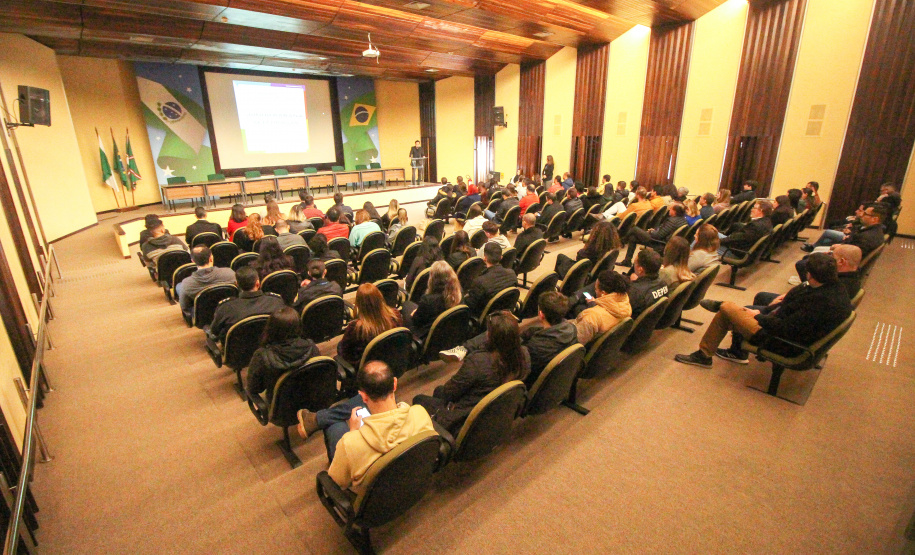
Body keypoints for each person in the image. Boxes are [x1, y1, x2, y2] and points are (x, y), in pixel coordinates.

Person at [675, 253, 851, 367]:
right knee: (727, 312)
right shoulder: (831, 286)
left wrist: (759, 316)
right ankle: (707, 354)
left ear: (811, 275)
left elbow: (785, 328)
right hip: (778, 325)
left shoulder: (820, 302)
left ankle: (718, 311)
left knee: (727, 307)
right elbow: (792, 305)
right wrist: (769, 309)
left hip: (780, 341)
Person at [296, 361, 435, 488]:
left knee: (334, 427)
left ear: (364, 396)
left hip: (369, 498)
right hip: (406, 486)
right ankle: (316, 420)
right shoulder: (420, 413)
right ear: (394, 384)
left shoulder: (350, 444)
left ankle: (317, 420)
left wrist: (352, 433)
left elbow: (337, 481)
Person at [416, 311, 530, 435]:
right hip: (493, 412)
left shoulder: (477, 362)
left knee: (420, 399)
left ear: (491, 337)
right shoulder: (525, 355)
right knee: (439, 391)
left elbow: (449, 393)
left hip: (465, 419)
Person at [442, 291, 575, 388]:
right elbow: (530, 334)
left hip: (521, 375)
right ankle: (465, 348)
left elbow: (513, 352)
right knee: (505, 328)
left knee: (499, 331)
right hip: (550, 376)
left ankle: (465, 349)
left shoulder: (533, 348)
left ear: (541, 314)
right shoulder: (570, 329)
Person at [246, 307, 319, 403]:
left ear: (270, 329)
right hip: (310, 400)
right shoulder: (311, 347)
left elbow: (254, 388)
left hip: (280, 406)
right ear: (298, 326)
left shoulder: (262, 356)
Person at [207, 266, 286, 344]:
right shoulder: (276, 302)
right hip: (270, 348)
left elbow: (214, 332)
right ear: (258, 283)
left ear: (237, 284)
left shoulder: (225, 308)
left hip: (237, 350)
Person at [337, 283, 403, 367]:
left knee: (340, 345)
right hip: (390, 359)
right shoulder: (395, 315)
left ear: (359, 304)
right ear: (380, 298)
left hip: (366, 367)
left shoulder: (356, 327)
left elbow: (346, 352)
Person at [402, 260, 462, 338]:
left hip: (426, 335)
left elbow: (417, 322)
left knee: (406, 304)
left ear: (433, 279)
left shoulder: (428, 300)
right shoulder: (458, 292)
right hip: (446, 331)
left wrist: (414, 314)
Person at [572, 270, 633, 346]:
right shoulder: (625, 305)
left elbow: (573, 343)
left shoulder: (591, 317)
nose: (595, 291)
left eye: (596, 289)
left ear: (603, 293)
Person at [619, 202, 688, 266]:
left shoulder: (672, 221)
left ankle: (621, 242)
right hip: (663, 241)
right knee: (633, 238)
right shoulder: (682, 220)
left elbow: (658, 235)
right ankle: (627, 261)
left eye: (671, 208)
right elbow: (663, 232)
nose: (669, 209)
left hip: (659, 243)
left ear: (675, 211)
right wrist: (654, 230)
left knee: (634, 228)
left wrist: (651, 232)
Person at [177, 245, 236, 312]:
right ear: (211, 258)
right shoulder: (230, 273)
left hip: (204, 314)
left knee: (179, 286)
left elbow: (184, 306)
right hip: (229, 310)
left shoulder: (186, 283)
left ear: (193, 261)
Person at [464, 242, 517, 317]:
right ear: (501, 257)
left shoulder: (480, 281)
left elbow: (471, 305)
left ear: (485, 258)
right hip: (505, 314)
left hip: (485, 317)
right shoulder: (512, 274)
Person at [554, 220, 620, 279]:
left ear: (595, 234)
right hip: (597, 274)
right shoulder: (612, 249)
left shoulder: (591, 250)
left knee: (561, 257)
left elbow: (580, 258)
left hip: (584, 275)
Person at [626, 248, 669, 317]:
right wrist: (638, 281)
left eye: (635, 263)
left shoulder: (635, 292)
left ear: (640, 270)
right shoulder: (663, 283)